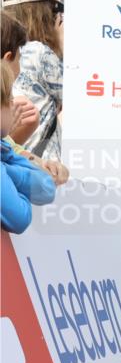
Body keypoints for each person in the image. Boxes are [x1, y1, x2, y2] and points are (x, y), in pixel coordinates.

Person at [2, 13, 67, 184]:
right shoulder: (39, 51)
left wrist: (43, 164)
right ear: (8, 58)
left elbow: (10, 148)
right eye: (20, 58)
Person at [2, 0, 63, 160]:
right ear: (42, 13)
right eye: (54, 10)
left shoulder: (14, 50)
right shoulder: (39, 52)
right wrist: (62, 45)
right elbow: (77, 97)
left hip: (13, 155)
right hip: (41, 163)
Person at [1, 60, 55, 233]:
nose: (13, 106)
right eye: (9, 98)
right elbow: (20, 217)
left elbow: (46, 188)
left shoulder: (4, 148)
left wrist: (8, 171)